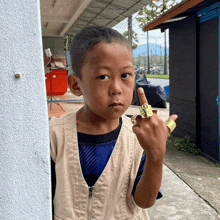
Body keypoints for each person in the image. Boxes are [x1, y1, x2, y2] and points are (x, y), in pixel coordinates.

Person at [50, 26, 178, 220]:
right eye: (103, 77)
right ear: (76, 85)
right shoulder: (55, 136)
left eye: (125, 75)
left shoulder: (139, 137)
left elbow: (144, 201)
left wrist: (156, 153)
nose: (117, 89)